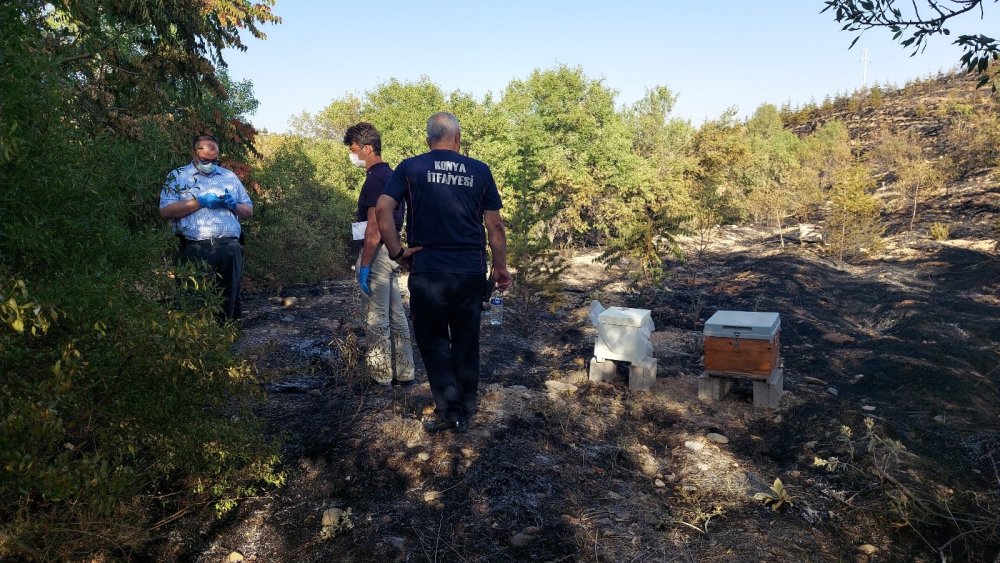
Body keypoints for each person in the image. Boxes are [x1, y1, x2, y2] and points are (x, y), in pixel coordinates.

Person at [375, 112, 512, 434]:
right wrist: (501, 267)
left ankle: (450, 412)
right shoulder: (480, 170)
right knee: (467, 339)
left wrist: (397, 252)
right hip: (469, 270)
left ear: (428, 141)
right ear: (458, 138)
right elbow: (495, 225)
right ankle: (468, 405)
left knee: (434, 341)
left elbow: (382, 209)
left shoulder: (410, 167)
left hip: (428, 269)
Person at [343, 122, 416, 386]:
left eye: (353, 150)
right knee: (395, 313)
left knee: (376, 317)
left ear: (368, 148)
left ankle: (380, 375)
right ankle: (405, 371)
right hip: (391, 253)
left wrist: (364, 263)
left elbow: (374, 228)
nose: (352, 156)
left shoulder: (376, 179)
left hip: (377, 253)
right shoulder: (393, 175)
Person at [159, 133, 253, 321]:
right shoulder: (178, 177)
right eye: (204, 159)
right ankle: (195, 340)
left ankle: (227, 339)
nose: (210, 162)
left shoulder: (229, 176)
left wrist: (233, 205)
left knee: (228, 299)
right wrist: (200, 202)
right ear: (193, 153)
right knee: (192, 296)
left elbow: (248, 210)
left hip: (230, 247)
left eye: (214, 159)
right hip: (195, 247)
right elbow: (165, 211)